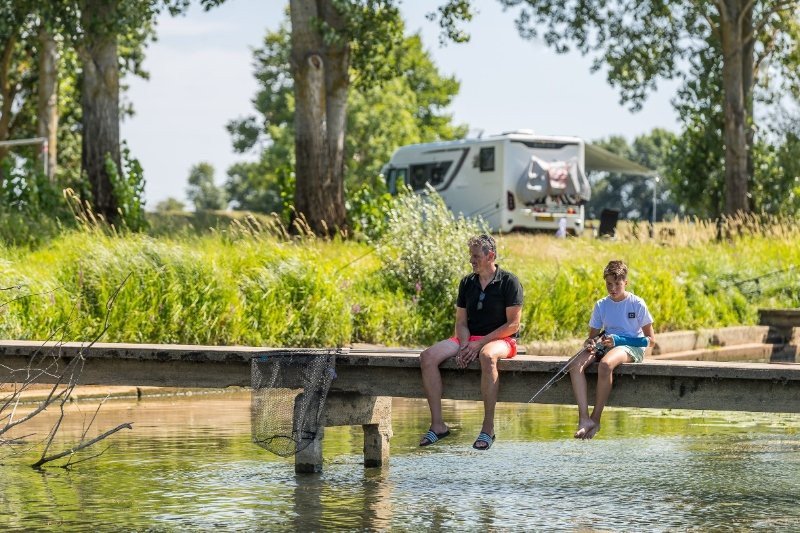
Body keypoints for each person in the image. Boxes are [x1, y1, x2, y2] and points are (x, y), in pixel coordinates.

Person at [418, 234, 524, 451]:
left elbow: (513, 325)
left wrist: (480, 344)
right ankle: (438, 425)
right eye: (471, 256)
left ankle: (488, 428)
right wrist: (466, 344)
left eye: (476, 256)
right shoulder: (467, 282)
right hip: (470, 338)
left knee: (487, 356)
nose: (471, 260)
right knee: (427, 357)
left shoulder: (509, 281)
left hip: (502, 339)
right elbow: (461, 322)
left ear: (490, 256)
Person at [569, 260, 654, 440]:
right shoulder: (601, 305)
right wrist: (591, 343)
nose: (612, 288)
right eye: (609, 284)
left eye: (617, 284)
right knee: (575, 364)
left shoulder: (637, 303)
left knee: (606, 365)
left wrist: (618, 340)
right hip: (605, 344)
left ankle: (596, 419)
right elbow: (591, 337)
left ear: (626, 283)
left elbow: (650, 341)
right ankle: (584, 418)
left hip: (632, 346)